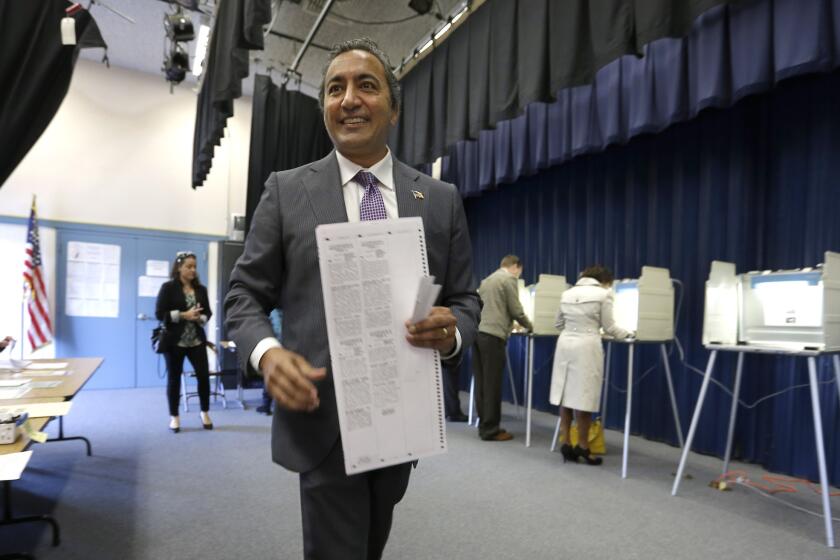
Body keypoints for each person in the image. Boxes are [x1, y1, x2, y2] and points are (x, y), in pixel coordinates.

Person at [224, 38, 480, 559]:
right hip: (322, 418)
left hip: (402, 420)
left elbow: (465, 300)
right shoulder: (286, 190)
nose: (349, 99)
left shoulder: (438, 200)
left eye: (366, 85)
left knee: (368, 544)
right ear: (324, 109)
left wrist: (451, 333)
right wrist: (267, 353)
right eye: (335, 88)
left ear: (394, 108)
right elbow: (243, 296)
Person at [549, 265, 634, 465]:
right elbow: (610, 326)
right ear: (605, 281)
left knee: (566, 396)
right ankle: (584, 446)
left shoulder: (567, 293)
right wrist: (629, 334)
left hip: (565, 344)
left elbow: (558, 324)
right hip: (587, 346)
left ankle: (566, 443)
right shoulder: (603, 294)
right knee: (584, 397)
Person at [472, 255, 533, 441]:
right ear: (515, 266)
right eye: (519, 271)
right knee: (493, 384)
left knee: (482, 384)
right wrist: (531, 326)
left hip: (478, 333)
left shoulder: (486, 280)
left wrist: (508, 323)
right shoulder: (508, 279)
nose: (518, 274)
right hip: (493, 337)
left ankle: (484, 425)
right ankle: (491, 430)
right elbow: (515, 309)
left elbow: (491, 308)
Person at [155, 251, 214, 433]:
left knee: (204, 377)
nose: (193, 270)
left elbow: (208, 313)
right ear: (179, 267)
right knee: (174, 380)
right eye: (189, 266)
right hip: (174, 342)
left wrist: (199, 318)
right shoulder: (168, 288)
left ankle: (204, 412)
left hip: (196, 340)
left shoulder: (201, 290)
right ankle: (175, 417)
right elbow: (159, 314)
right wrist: (183, 315)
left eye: (195, 266)